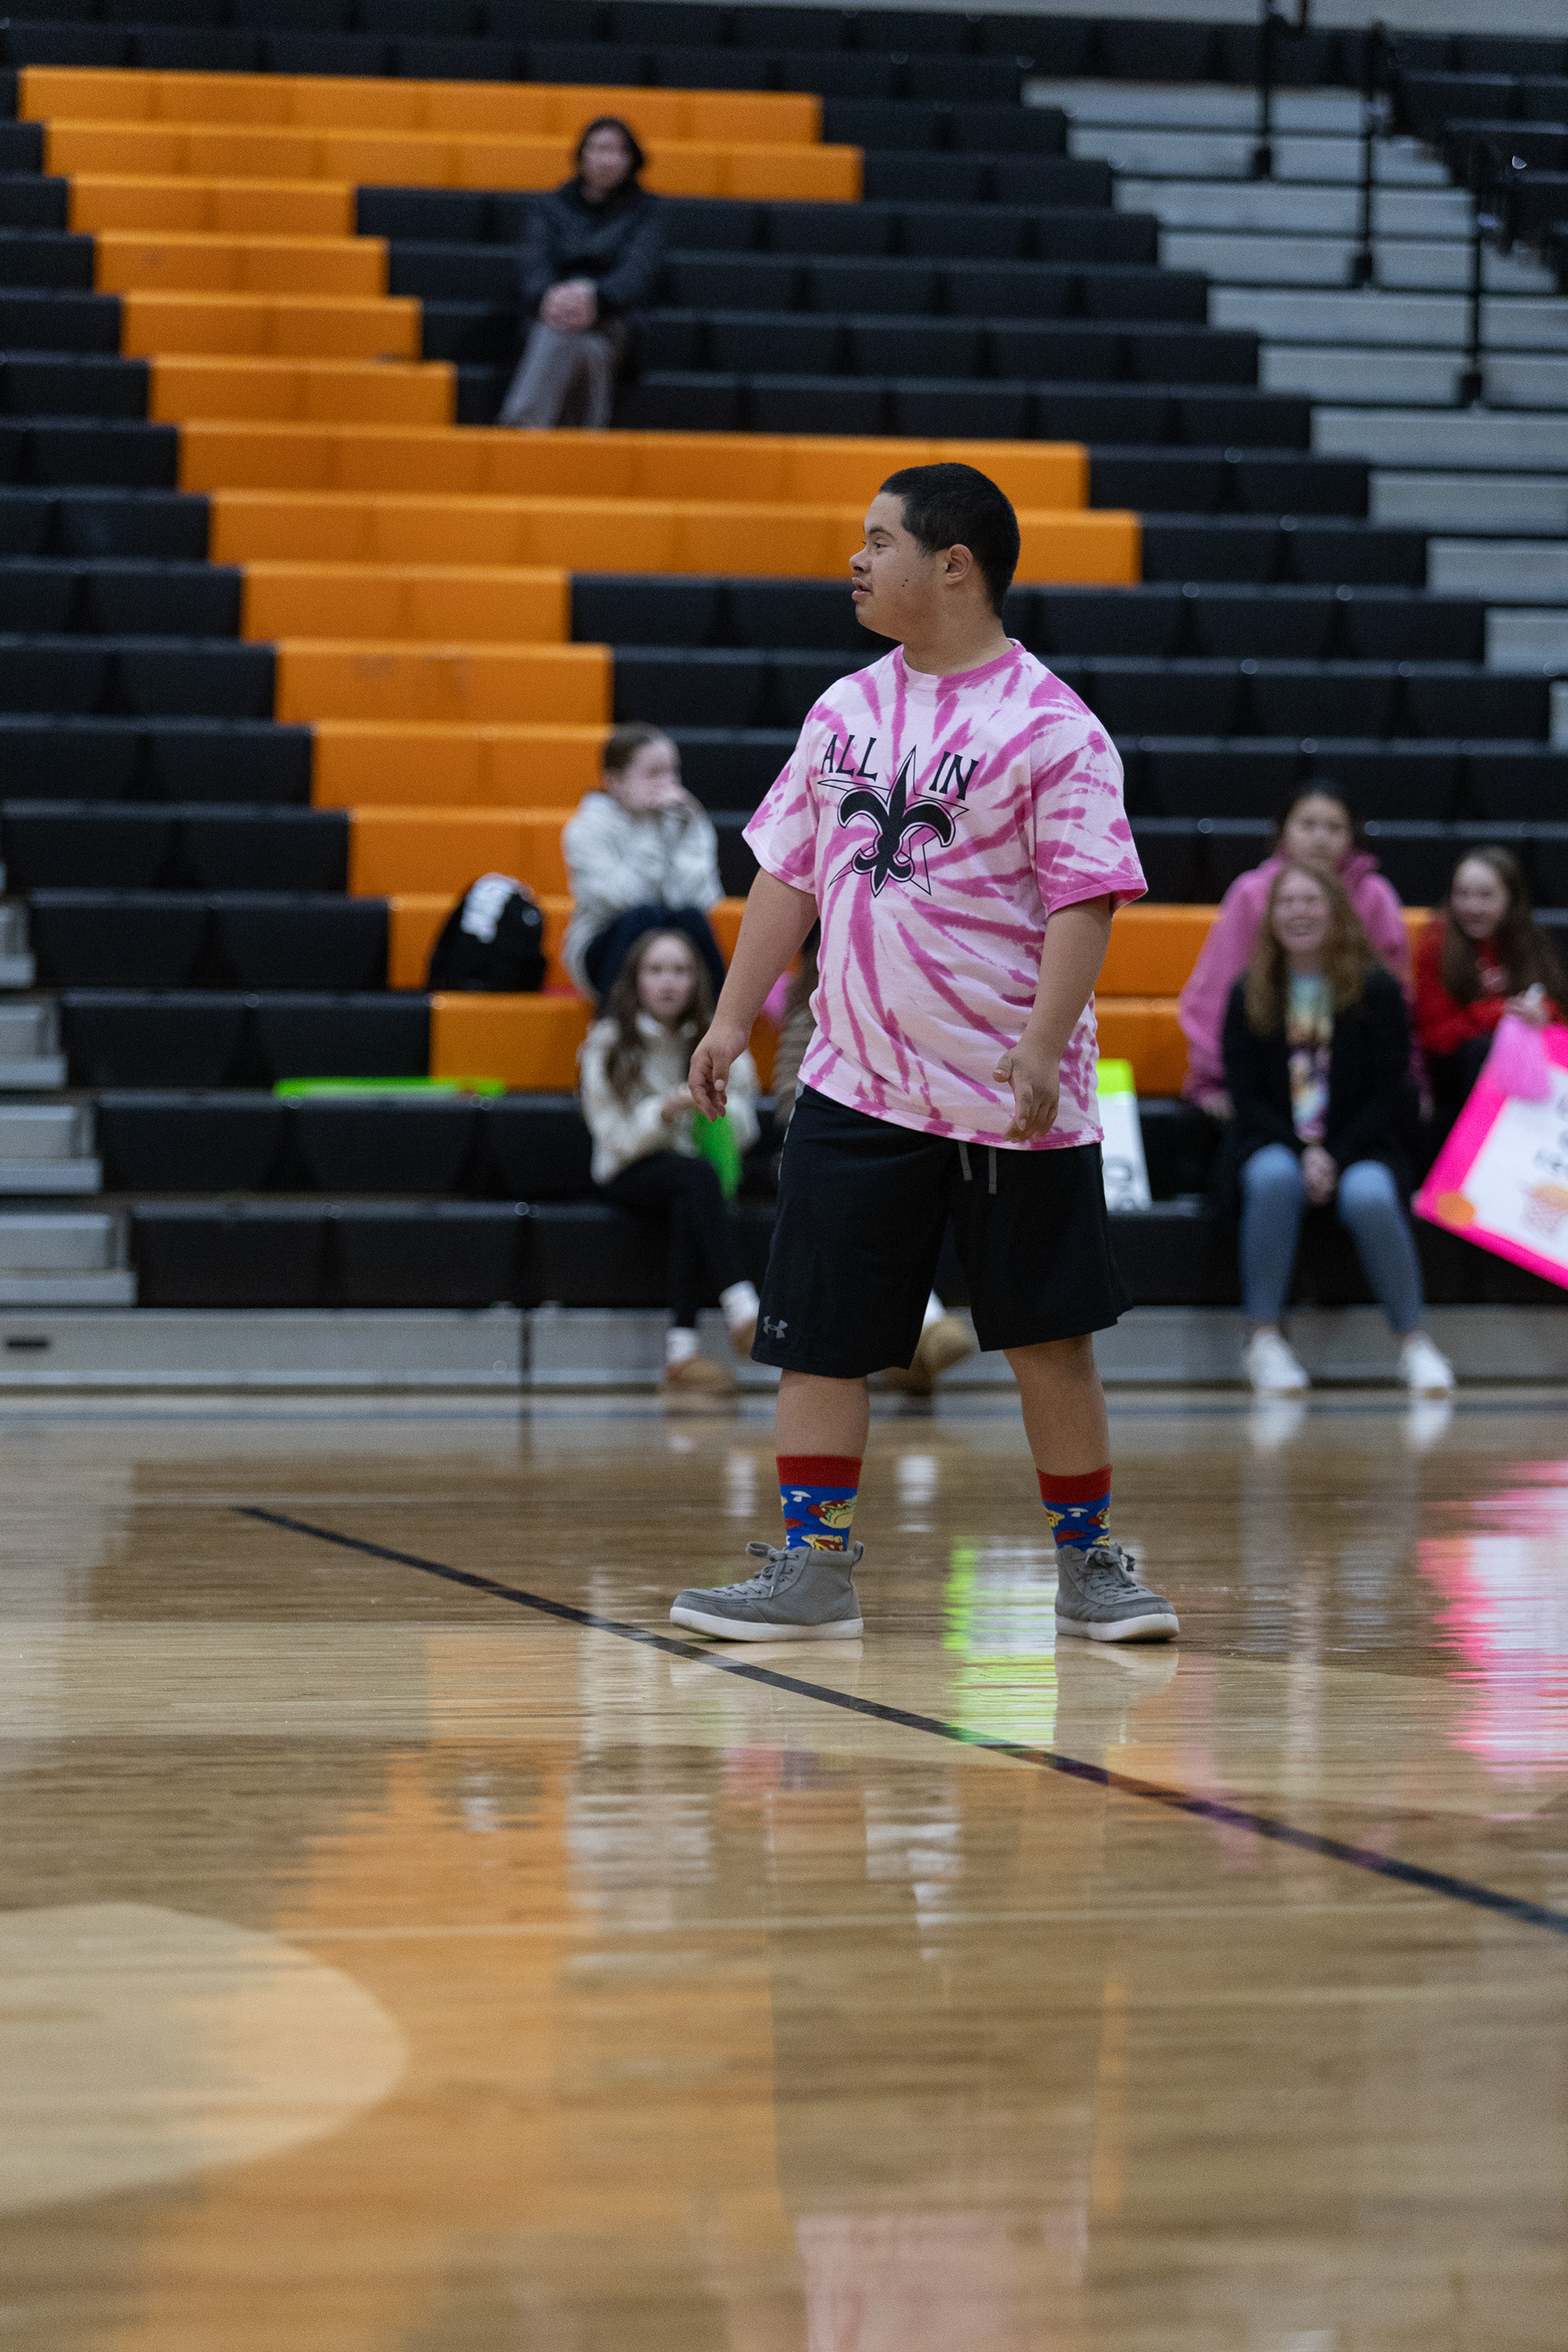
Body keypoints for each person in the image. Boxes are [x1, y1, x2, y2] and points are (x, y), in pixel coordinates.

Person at [663, 460, 1181, 1646]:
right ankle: (812, 1567)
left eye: (880, 540)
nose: (856, 560)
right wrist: (732, 1019)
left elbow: (1087, 899)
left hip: (1010, 1093)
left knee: (1049, 1339)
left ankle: (1090, 1565)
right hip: (855, 1082)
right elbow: (787, 873)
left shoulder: (1053, 725)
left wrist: (1043, 1047)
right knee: (817, 1332)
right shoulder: (843, 708)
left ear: (954, 566)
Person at [1220, 859, 1454, 1397]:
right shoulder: (1248, 992)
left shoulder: (1378, 991)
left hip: (1360, 1144)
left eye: (1311, 901)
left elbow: (1387, 1092)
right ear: (1271, 916)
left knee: (1370, 1194)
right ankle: (1264, 1341)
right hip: (1271, 1141)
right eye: (1287, 902)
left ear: (1337, 912)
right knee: (1273, 1177)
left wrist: (1334, 1156)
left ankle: (1414, 1343)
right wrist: (1302, 1152)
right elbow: (1246, 1097)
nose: (1298, 912)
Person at [770, 927, 977, 1396]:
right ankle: (928, 1324)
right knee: (859, 1210)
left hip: (900, 1140)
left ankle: (906, 1354)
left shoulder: (903, 1007)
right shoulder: (808, 1015)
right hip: (824, 1147)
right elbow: (788, 1097)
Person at [580, 927, 761, 1401]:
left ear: (697, 980)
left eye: (680, 971)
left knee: (691, 1193)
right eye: (656, 970)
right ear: (635, 979)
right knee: (692, 1178)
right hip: (629, 1169)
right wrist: (664, 1110)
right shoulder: (606, 1043)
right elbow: (615, 1139)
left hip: (697, 1173)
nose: (668, 982)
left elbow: (747, 1127)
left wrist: (714, 1106)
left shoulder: (718, 1039)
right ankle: (741, 1305)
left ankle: (681, 1353)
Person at [1179, 784, 1410, 1119]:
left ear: (1352, 836)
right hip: (1265, 1068)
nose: (1320, 837)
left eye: (1334, 827)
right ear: (1283, 832)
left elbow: (1395, 1002)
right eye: (1307, 825)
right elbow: (1220, 989)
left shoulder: (1375, 894)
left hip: (1355, 1072)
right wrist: (1212, 1078)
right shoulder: (1250, 892)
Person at [497, 115, 665, 431]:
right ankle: (585, 442)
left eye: (617, 151)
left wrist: (595, 299)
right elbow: (533, 264)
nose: (607, 160)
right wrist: (552, 298)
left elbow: (637, 273)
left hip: (614, 320)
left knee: (564, 335)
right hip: (551, 313)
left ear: (632, 159)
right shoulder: (550, 206)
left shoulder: (647, 211)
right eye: (599, 149)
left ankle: (520, 430)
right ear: (581, 155)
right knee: (585, 350)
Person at [563, 724, 727, 1004]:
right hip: (603, 943)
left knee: (692, 919)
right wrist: (652, 830)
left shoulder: (684, 819)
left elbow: (701, 900)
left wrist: (691, 828)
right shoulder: (585, 830)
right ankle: (612, 1024)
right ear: (615, 782)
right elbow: (625, 900)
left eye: (673, 772)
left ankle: (718, 1020)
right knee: (642, 917)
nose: (668, 784)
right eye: (654, 773)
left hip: (670, 940)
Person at [1414, 845, 1564, 1124]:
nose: (1472, 907)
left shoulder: (1531, 941)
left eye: (1485, 896)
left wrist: (1544, 1013)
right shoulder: (1437, 942)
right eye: (1462, 894)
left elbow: (1560, 1017)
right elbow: (1435, 1036)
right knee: (1481, 1050)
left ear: (1511, 899)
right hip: (1456, 1079)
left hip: (1530, 1078)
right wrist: (1500, 1012)